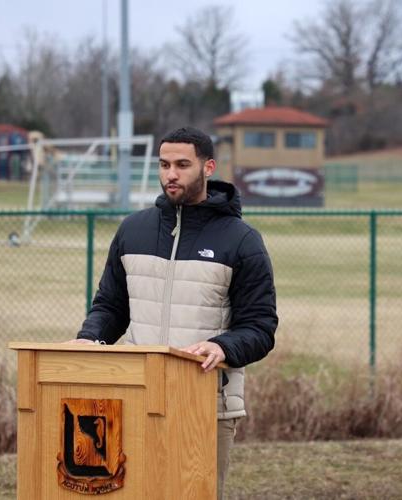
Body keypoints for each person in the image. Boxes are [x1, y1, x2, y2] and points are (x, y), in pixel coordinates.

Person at [69, 126, 278, 499]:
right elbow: (111, 306)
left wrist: (223, 347)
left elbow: (260, 326)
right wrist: (89, 339)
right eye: (164, 164)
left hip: (206, 402)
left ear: (208, 167)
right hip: (134, 394)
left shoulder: (242, 240)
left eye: (182, 164)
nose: (171, 174)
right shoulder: (133, 230)